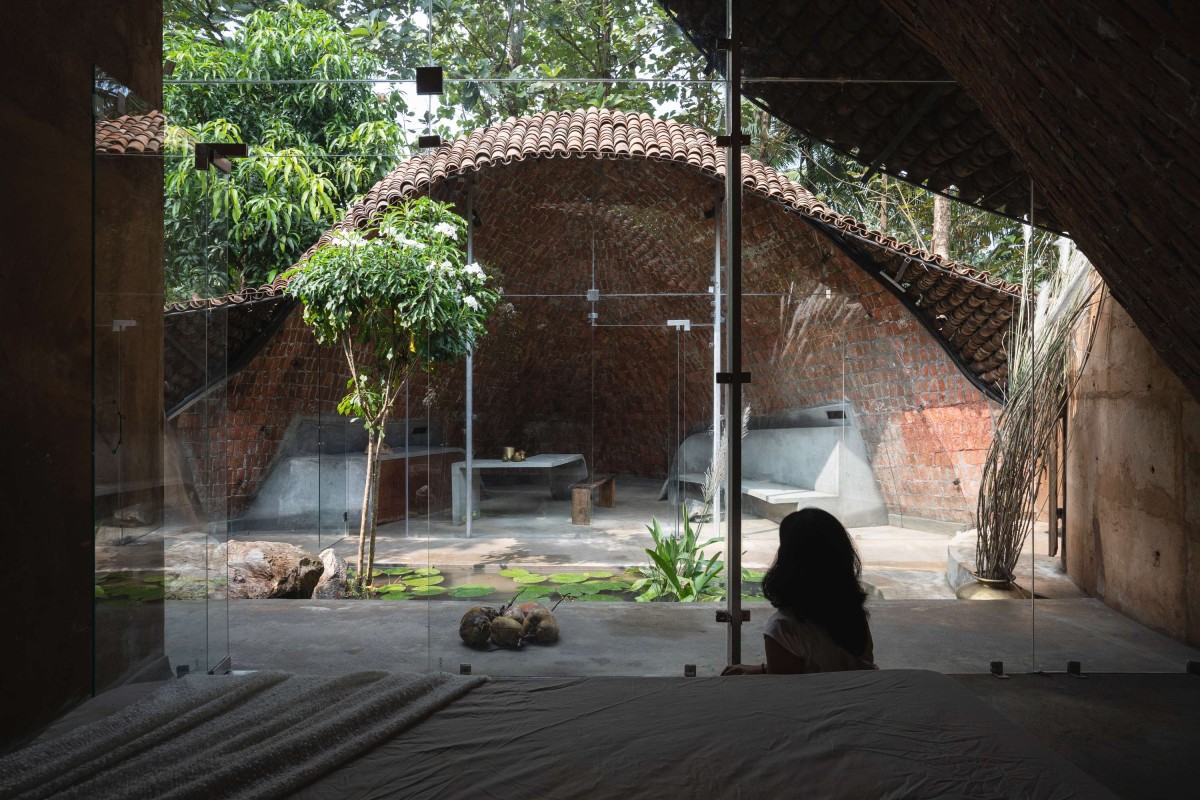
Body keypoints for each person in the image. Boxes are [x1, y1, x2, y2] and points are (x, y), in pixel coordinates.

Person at [722, 507, 876, 675]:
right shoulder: (851, 614)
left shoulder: (784, 628)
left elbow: (789, 690)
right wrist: (764, 669)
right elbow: (831, 665)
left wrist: (770, 669)